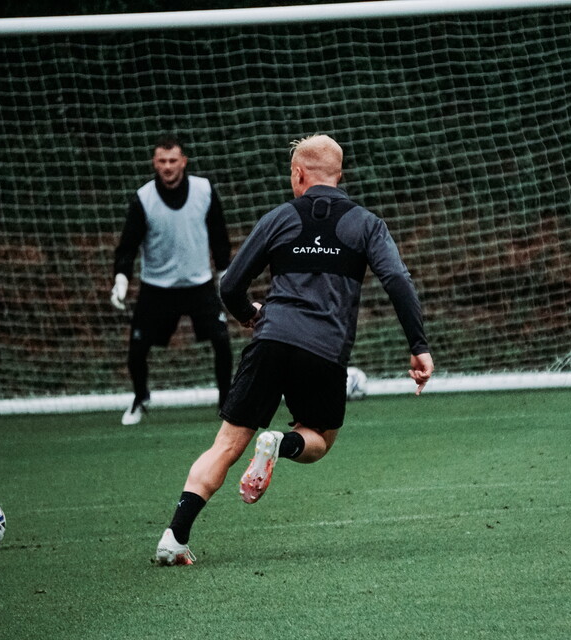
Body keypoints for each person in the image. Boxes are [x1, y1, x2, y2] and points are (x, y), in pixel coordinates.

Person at [154, 134, 434, 565]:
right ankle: (279, 445)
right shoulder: (365, 223)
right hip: (324, 350)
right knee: (320, 438)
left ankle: (174, 537)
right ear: (339, 176)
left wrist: (250, 314)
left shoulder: (281, 216)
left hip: (271, 339)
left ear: (298, 174)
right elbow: (398, 280)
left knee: (226, 445)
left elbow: (229, 285)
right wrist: (418, 347)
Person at [110, 134, 233, 425]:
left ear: (183, 162)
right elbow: (127, 245)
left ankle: (226, 403)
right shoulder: (143, 198)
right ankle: (140, 398)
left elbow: (219, 235)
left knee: (221, 340)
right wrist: (121, 279)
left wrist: (226, 274)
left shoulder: (204, 190)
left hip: (198, 284)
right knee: (137, 348)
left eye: (173, 160)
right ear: (155, 162)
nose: (167, 166)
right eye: (162, 161)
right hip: (157, 288)